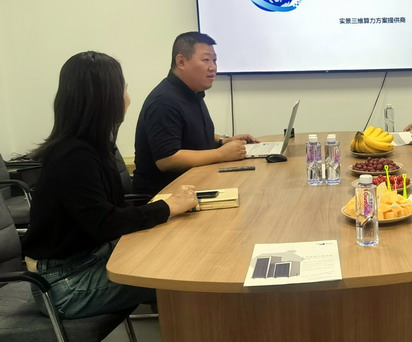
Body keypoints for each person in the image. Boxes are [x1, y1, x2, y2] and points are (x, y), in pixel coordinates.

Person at [21, 51, 199, 319]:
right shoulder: (73, 156)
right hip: (64, 284)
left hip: (91, 258)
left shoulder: (93, 146)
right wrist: (167, 207)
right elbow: (105, 223)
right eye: (123, 88)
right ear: (106, 97)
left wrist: (165, 206)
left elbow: (110, 212)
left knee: (181, 249)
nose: (128, 97)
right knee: (183, 273)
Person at [133, 32, 256, 195]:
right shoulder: (163, 101)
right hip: (165, 196)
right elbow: (167, 159)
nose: (213, 67)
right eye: (206, 60)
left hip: (195, 185)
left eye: (214, 60)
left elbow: (190, 133)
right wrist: (221, 154)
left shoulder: (192, 93)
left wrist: (224, 141)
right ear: (181, 62)